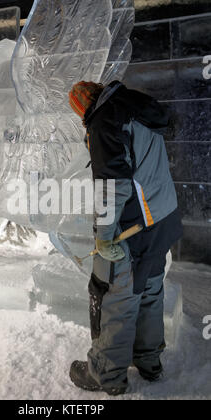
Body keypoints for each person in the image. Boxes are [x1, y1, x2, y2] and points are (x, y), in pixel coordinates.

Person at [68, 81, 183, 396]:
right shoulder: (133, 105)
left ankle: (107, 375)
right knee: (149, 291)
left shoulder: (104, 121)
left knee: (119, 299)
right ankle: (149, 362)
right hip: (163, 217)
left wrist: (105, 237)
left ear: (84, 108)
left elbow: (111, 187)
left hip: (138, 225)